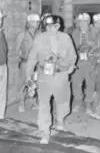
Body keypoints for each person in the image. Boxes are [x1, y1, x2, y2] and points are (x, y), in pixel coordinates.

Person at [26, 15, 77, 144]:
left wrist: (71, 66)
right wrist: (29, 76)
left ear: (59, 26)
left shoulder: (66, 38)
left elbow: (73, 55)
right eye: (48, 26)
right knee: (43, 105)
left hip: (61, 75)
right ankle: (45, 132)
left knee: (63, 103)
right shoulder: (40, 38)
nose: (51, 28)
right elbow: (32, 58)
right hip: (45, 76)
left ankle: (60, 121)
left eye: (54, 26)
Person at [71, 13, 96, 115]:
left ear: (89, 22)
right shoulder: (75, 32)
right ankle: (78, 102)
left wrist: (92, 46)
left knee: (90, 84)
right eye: (81, 22)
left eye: (85, 21)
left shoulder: (94, 31)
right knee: (76, 83)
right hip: (78, 62)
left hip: (90, 62)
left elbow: (99, 45)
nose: (83, 24)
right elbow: (71, 47)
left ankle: (88, 105)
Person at [15, 13, 40, 112]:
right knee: (24, 83)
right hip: (26, 63)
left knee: (35, 83)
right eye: (36, 22)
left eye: (38, 22)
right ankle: (21, 103)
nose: (38, 24)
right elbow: (17, 49)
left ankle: (34, 102)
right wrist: (21, 57)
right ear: (29, 23)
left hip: (37, 64)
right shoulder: (23, 35)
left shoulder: (39, 34)